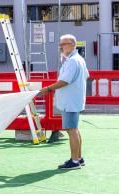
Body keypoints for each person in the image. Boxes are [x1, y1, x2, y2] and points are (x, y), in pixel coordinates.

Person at [40, 34, 89, 170]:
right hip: (74, 99)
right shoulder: (78, 59)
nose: (61, 47)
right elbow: (86, 75)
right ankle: (78, 158)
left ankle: (74, 161)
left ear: (73, 44)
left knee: (71, 130)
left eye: (64, 44)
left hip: (70, 101)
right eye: (60, 44)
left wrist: (48, 89)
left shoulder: (73, 61)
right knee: (74, 129)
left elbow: (65, 81)